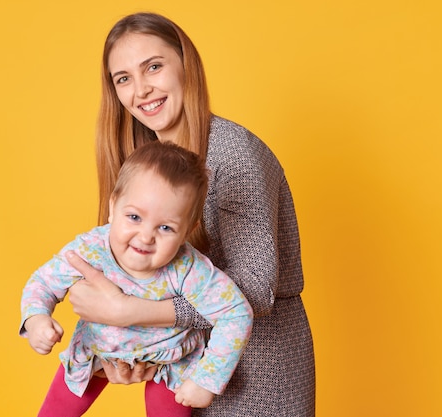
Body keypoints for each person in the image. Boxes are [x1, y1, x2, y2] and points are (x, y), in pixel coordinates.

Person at [65, 12, 316, 416]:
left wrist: (134, 312)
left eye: (154, 67)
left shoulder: (233, 154)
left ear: (187, 65)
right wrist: (128, 349)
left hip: (256, 374)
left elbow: (254, 288)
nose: (141, 89)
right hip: (185, 372)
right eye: (123, 78)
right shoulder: (147, 165)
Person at [20, 141, 253, 417]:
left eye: (165, 227)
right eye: (134, 217)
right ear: (113, 207)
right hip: (96, 351)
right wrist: (36, 319)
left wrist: (207, 379)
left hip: (169, 361)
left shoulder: (189, 268)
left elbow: (236, 312)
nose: (145, 237)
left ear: (186, 232)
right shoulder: (90, 249)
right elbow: (43, 282)